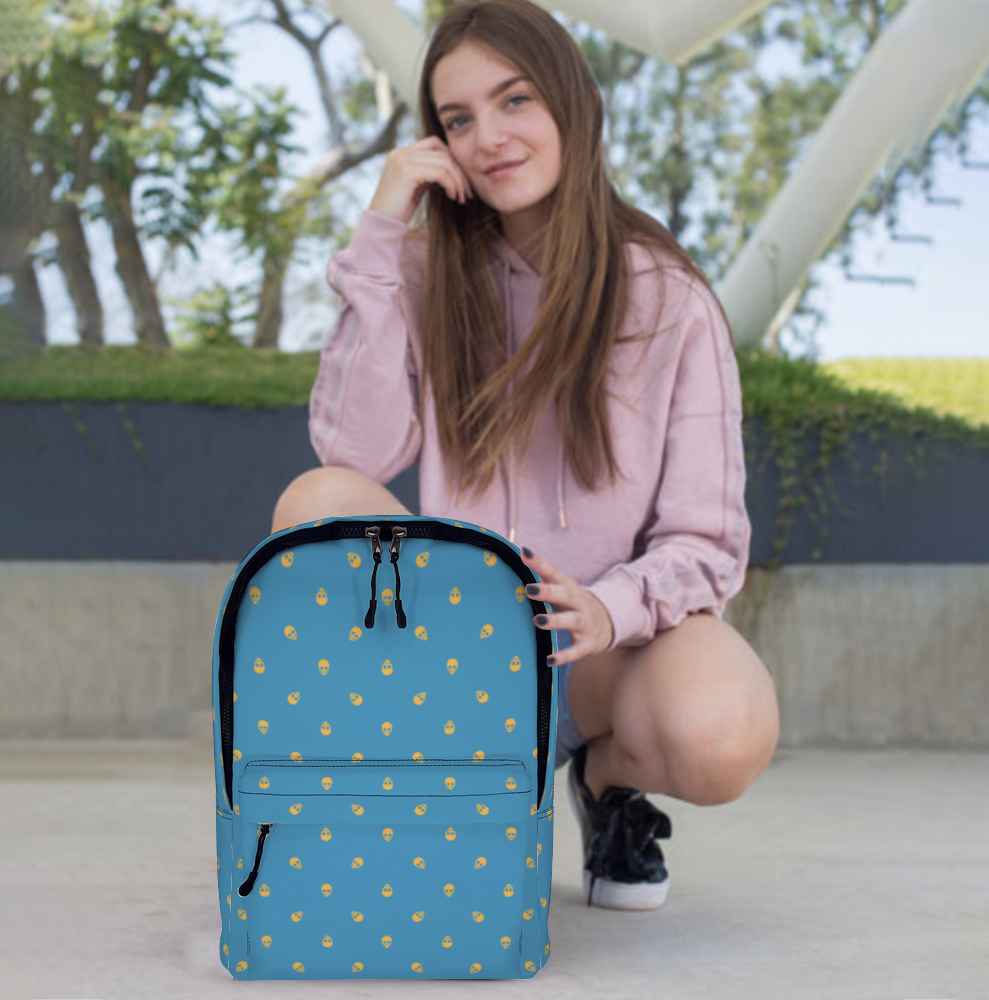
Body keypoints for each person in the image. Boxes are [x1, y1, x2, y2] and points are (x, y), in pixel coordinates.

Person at [272, 0, 780, 912]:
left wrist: (606, 606)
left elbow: (707, 542)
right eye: (457, 120)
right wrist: (384, 229)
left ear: (573, 103)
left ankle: (603, 783)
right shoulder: (423, 274)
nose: (488, 138)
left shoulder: (668, 297)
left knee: (721, 730)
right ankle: (439, 788)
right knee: (316, 499)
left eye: (514, 101)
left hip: (596, 655)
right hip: (449, 646)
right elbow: (354, 449)